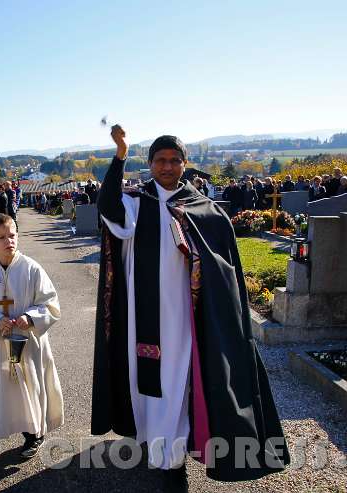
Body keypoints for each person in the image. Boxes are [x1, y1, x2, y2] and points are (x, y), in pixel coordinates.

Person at [92, 126, 288, 489]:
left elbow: (222, 262)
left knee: (178, 379)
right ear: (149, 164)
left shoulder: (202, 207)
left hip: (185, 314)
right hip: (143, 313)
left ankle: (173, 460)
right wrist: (120, 154)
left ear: (184, 164)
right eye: (160, 160)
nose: (167, 167)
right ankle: (151, 440)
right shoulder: (137, 202)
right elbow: (108, 207)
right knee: (147, 379)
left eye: (174, 160)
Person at [0, 213, 63, 470]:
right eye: (1, 237)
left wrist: (30, 317)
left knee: (30, 387)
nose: (8, 241)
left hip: (28, 343)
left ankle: (34, 435)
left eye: (12, 235)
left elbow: (50, 303)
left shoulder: (31, 268)